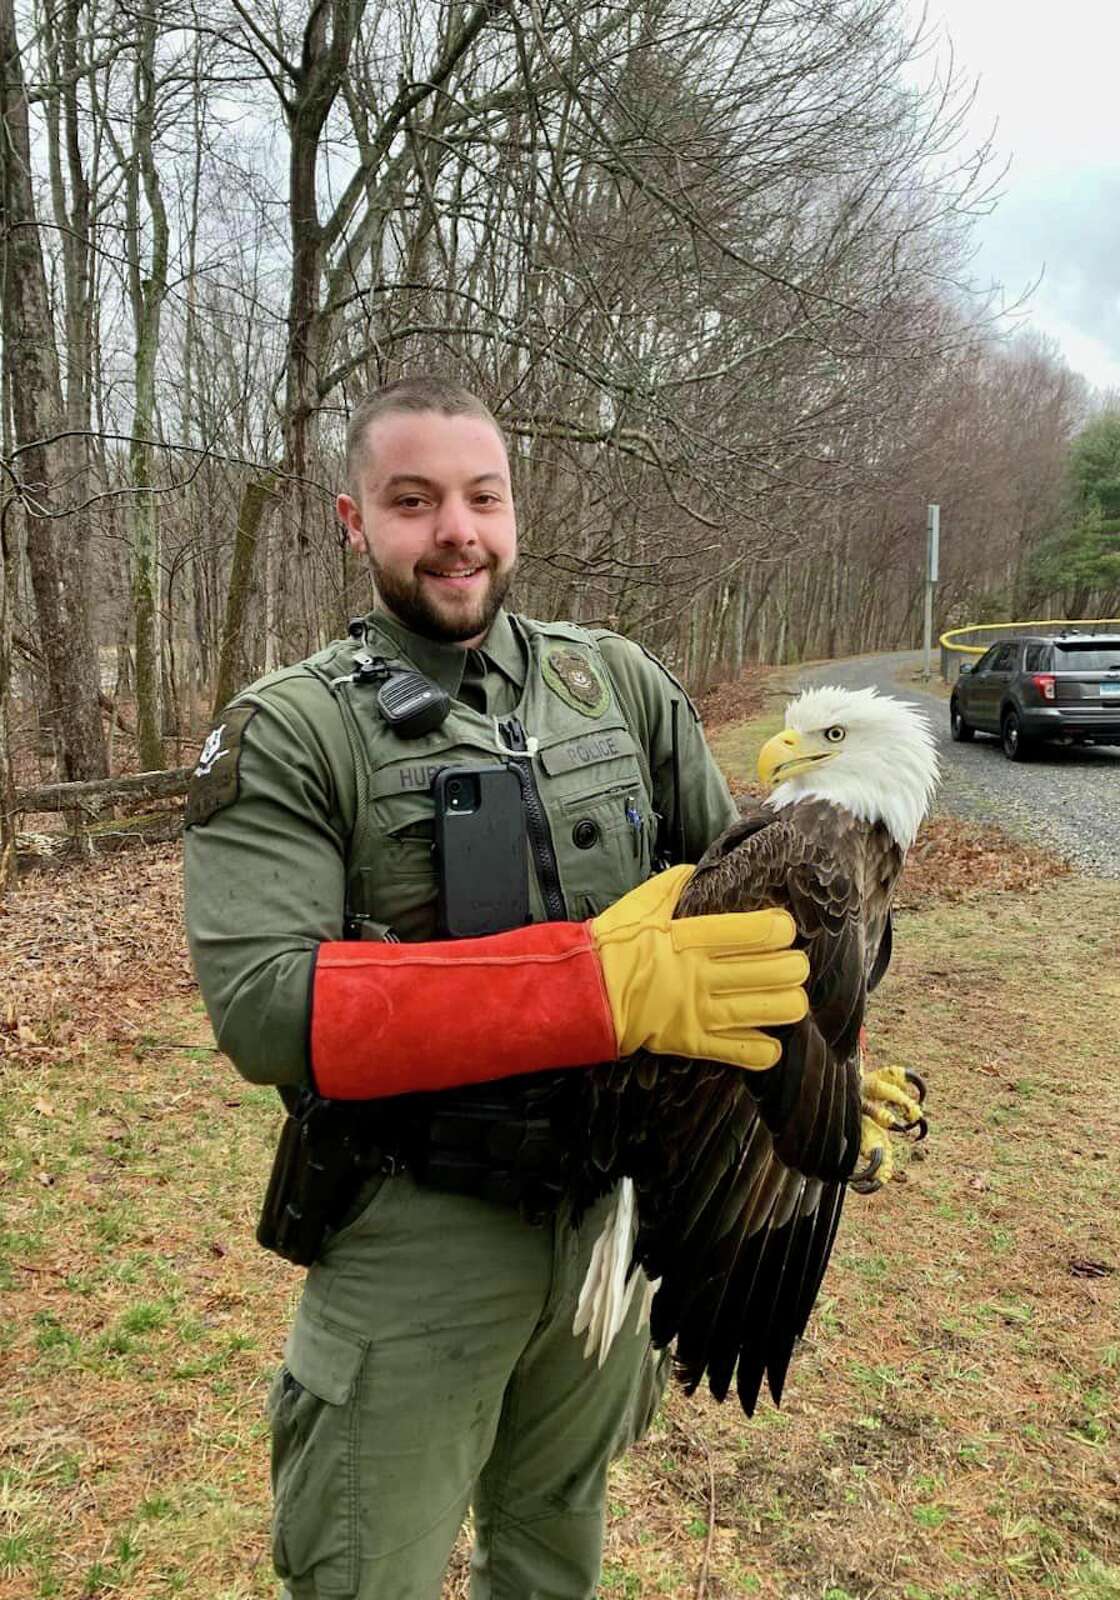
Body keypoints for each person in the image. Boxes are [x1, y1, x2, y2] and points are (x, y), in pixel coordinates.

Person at [184, 376, 810, 1600]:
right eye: (412, 501)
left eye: (482, 497)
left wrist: (815, 1089)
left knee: (554, 1551)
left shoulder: (618, 685)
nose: (455, 529)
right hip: (417, 1234)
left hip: (606, 1228)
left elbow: (747, 912)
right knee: (370, 1571)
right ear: (353, 520)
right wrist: (595, 986)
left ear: (516, 513)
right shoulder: (292, 729)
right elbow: (266, 1003)